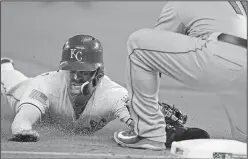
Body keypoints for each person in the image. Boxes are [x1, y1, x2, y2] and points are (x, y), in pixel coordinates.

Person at [1, 34, 209, 145]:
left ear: (97, 72)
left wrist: (166, 130)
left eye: (83, 71)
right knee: (11, 79)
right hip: (25, 92)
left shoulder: (112, 95)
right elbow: (22, 122)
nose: (75, 76)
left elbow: (138, 119)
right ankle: (4, 65)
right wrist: (23, 130)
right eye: (71, 70)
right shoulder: (45, 87)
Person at [114, 1, 247, 151]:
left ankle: (150, 133)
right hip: (243, 72)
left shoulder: (179, 4)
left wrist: (141, 104)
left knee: (138, 45)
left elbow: (154, 54)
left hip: (217, 60)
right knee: (244, 140)